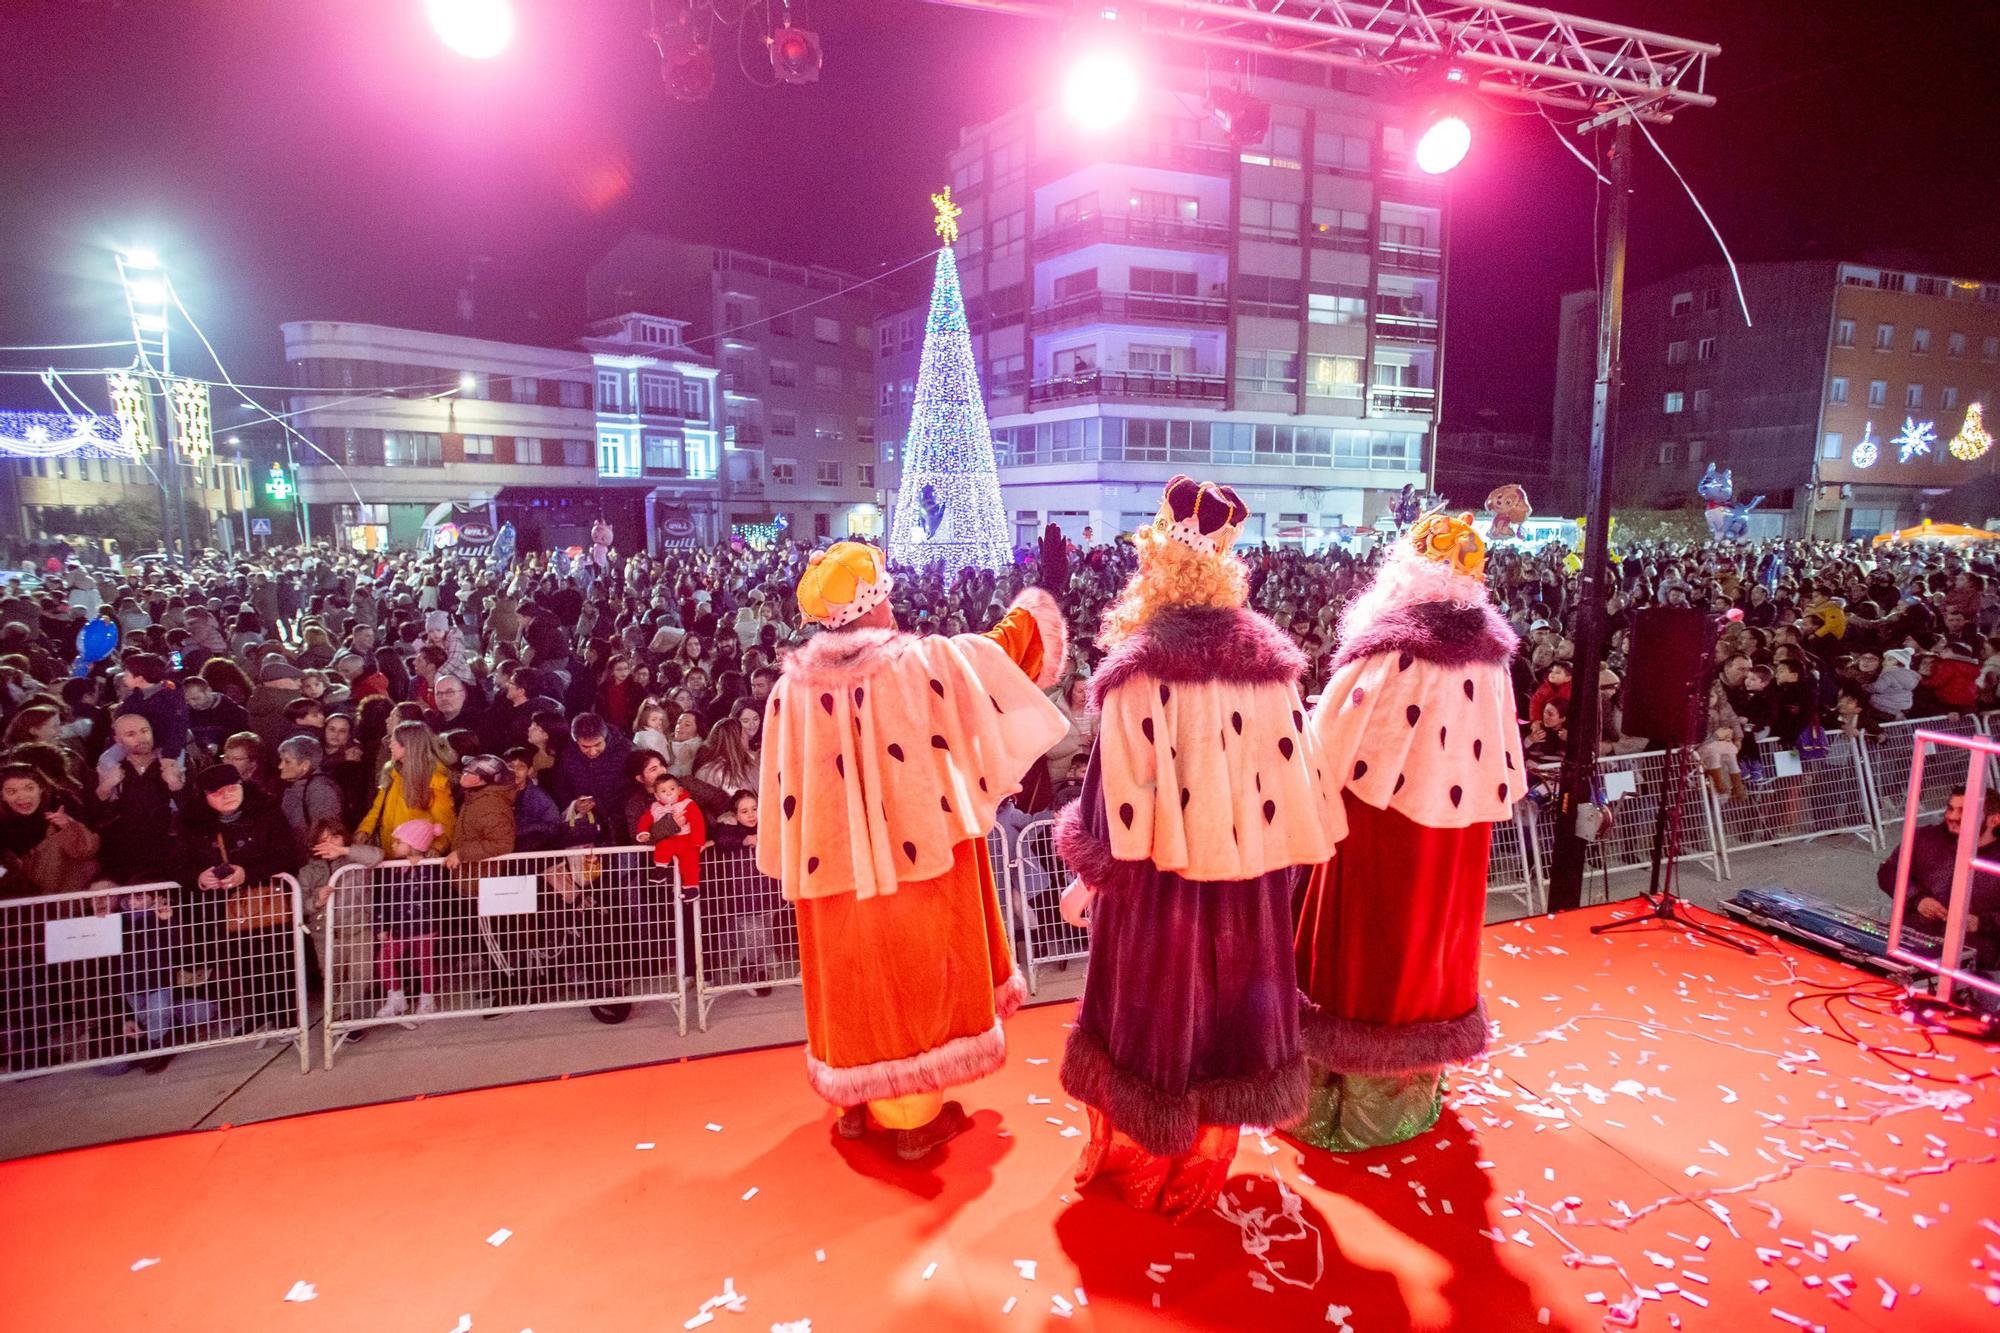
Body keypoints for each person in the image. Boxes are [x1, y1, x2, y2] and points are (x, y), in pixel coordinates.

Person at [1053, 477, 1335, 1215]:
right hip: (1249, 888)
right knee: (1229, 1023)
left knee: (1154, 1021)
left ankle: (1143, 1163)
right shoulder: (1271, 667)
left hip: (1158, 889)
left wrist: (1092, 873)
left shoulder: (1140, 665)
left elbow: (1118, 802)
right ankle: (1205, 1166)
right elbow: (1300, 785)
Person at [758, 541, 1068, 1160]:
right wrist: (1031, 610)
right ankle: (912, 1119)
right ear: (873, 605)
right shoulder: (919, 663)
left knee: (853, 976)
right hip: (921, 857)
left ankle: (858, 1103)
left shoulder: (789, 693)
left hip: (834, 871)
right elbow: (994, 660)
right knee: (918, 977)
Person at [1296, 512, 1526, 1151]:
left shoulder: (1392, 650)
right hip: (1460, 832)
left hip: (1378, 826)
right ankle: (1403, 1099)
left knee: (1366, 950)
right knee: (1433, 945)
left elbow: (1329, 740)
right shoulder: (1491, 660)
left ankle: (1331, 1105)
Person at [1876, 787, 2000, 972]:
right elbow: (1888, 872)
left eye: (1964, 812)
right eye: (1950, 808)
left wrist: (1980, 923)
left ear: (1994, 820)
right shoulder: (1925, 838)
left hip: (1976, 962)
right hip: (1911, 945)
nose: (1952, 816)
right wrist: (1917, 899)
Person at [372, 819, 449, 1026]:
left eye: (398, 841)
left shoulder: (430, 868)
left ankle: (427, 999)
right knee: (383, 960)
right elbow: (383, 899)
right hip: (398, 928)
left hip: (424, 927)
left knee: (424, 963)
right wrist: (381, 926)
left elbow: (436, 892)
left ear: (414, 844)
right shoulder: (392, 869)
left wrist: (422, 869)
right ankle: (396, 997)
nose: (393, 845)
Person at [355, 720, 456, 858]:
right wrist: (365, 830)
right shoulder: (391, 772)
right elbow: (377, 809)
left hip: (416, 860)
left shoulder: (435, 780)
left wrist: (437, 847)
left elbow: (445, 821)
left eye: (394, 741)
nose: (389, 745)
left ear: (409, 746)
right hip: (389, 855)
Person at [635, 770, 705, 887]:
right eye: (663, 791)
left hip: (686, 839)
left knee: (690, 863)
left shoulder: (687, 803)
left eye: (672, 789)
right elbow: (645, 820)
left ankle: (691, 887)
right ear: (657, 796)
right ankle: (660, 870)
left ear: (679, 790)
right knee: (662, 847)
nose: (668, 793)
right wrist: (643, 832)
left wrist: (698, 841)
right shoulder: (654, 807)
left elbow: (698, 822)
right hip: (669, 839)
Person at [276, 735, 345, 841]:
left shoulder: (321, 791)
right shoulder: (298, 787)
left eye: (287, 761)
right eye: (281, 760)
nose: (280, 766)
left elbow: (324, 837)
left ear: (305, 765)